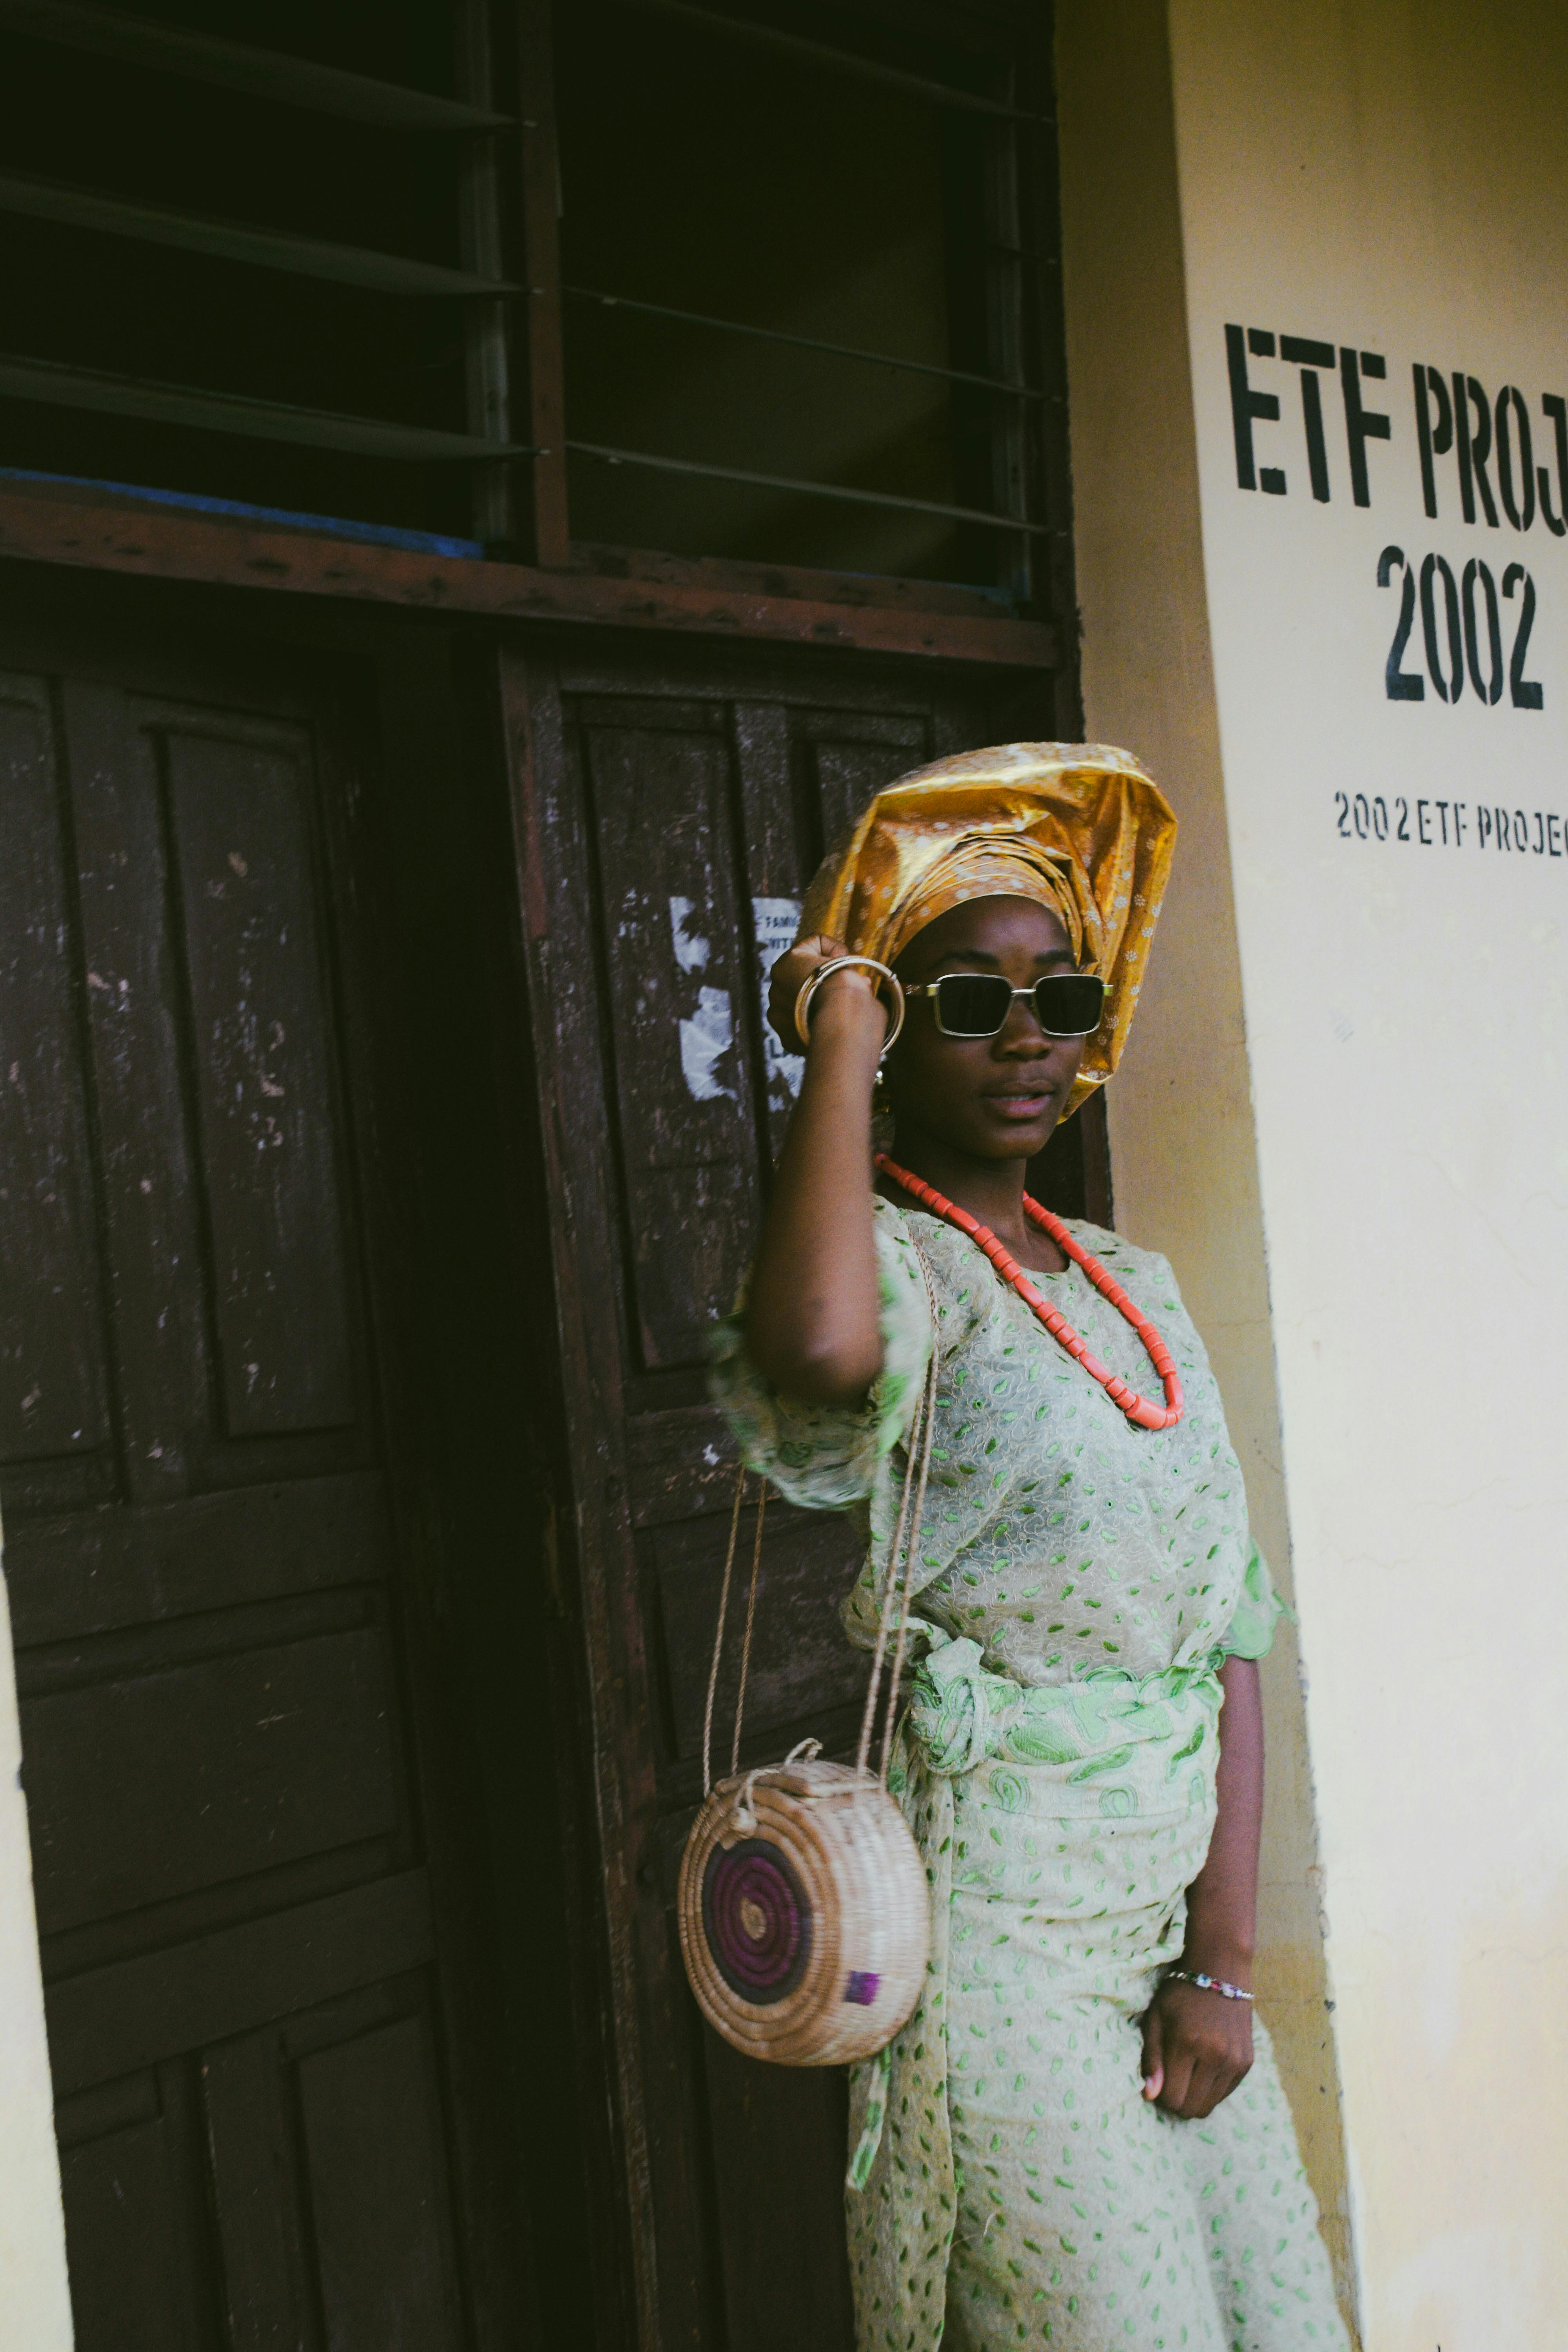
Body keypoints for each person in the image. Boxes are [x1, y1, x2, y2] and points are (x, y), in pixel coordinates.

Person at [710, 745, 1348, 2352]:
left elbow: (1231, 1628)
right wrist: (836, 1033)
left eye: (1060, 1002)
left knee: (1280, 2322)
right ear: (897, 1026)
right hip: (1005, 1963)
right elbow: (815, 1346)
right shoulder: (912, 1275)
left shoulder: (1130, 1279)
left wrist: (1221, 1960)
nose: (1022, 1041)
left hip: (1165, 1947)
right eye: (962, 1000)